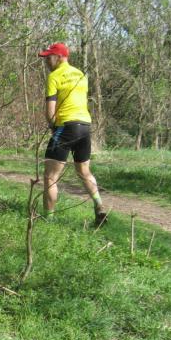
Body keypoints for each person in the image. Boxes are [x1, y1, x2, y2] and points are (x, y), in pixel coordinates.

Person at [37, 42, 107, 226]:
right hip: (85, 126)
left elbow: (50, 110)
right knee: (84, 171)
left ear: (60, 57)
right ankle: (99, 205)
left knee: (50, 176)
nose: (46, 61)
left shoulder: (54, 76)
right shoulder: (81, 75)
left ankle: (48, 220)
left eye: (49, 57)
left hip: (66, 126)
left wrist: (53, 127)